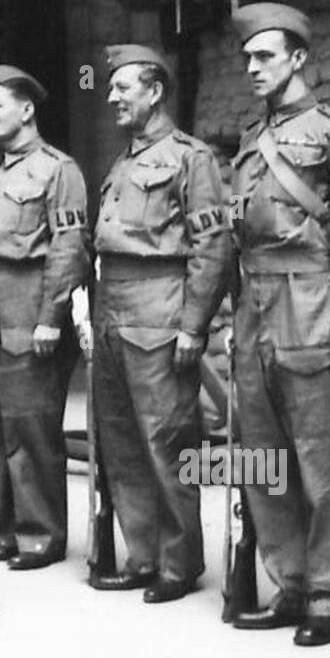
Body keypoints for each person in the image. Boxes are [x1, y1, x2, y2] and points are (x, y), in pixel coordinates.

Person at [226, 3, 330, 646]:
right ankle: (289, 584)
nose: (252, 68)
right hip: (254, 307)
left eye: (265, 56)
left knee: (322, 463)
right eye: (246, 59)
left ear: (298, 59)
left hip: (311, 300)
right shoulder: (246, 140)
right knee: (264, 459)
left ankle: (328, 596)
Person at [87, 44, 231, 603]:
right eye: (111, 88)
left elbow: (212, 246)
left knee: (167, 440)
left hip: (160, 306)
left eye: (123, 88)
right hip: (111, 307)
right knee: (120, 441)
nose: (113, 97)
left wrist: (194, 325)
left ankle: (180, 562)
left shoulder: (191, 158)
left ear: (155, 91)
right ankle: (141, 554)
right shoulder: (123, 162)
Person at [0, 64, 89, 569]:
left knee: (33, 432)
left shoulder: (58, 170)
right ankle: (3, 532)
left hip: (31, 311)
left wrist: (52, 316)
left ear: (26, 110)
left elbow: (69, 246)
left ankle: (40, 535)